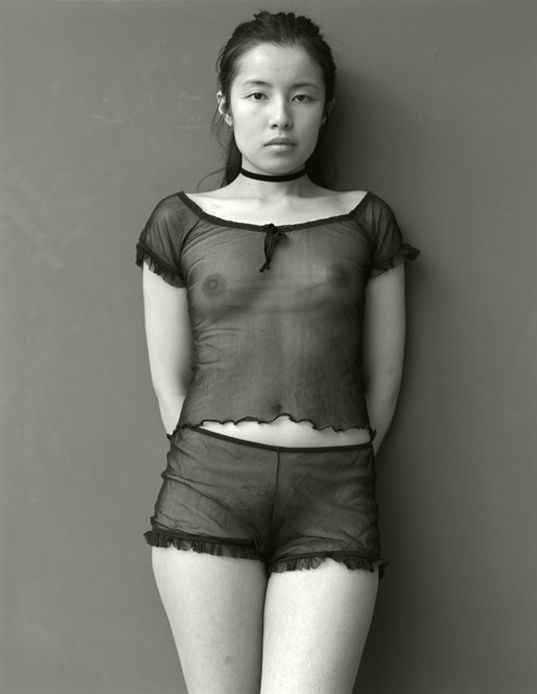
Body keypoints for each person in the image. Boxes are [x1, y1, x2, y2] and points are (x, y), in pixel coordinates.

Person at [134, 10, 420, 694]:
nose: (280, 117)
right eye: (258, 94)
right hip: (208, 492)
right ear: (225, 105)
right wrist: (219, 464)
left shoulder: (366, 219)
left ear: (326, 109)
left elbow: (382, 383)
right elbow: (169, 383)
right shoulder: (177, 221)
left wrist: (334, 463)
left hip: (334, 496)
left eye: (302, 96)